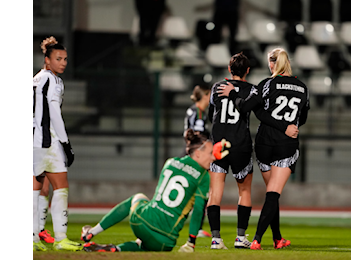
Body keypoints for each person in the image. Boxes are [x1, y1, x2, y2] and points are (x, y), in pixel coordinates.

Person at [218, 47, 309, 250]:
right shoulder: (303, 87)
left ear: (272, 63)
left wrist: (233, 94)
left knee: (271, 192)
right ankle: (258, 239)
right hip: (286, 145)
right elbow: (301, 118)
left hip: (264, 144)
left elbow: (247, 108)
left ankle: (277, 238)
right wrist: (288, 127)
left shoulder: (267, 84)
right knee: (273, 194)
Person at [80, 130, 230, 252]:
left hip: (142, 222)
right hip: (166, 242)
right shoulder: (203, 177)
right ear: (198, 153)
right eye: (210, 153)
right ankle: (116, 249)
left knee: (138, 197)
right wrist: (191, 243)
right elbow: (198, 210)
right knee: (143, 245)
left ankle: (93, 232)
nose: (213, 157)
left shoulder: (171, 162)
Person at [33, 36, 78, 251]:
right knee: (61, 187)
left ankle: (34, 239)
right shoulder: (53, 80)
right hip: (47, 141)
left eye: (66, 59)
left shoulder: (36, 78)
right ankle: (61, 239)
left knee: (36, 189)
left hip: (34, 140)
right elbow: (54, 113)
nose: (63, 63)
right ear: (47, 60)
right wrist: (66, 144)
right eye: (58, 58)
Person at [183, 84, 212, 237]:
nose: (210, 99)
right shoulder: (199, 113)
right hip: (198, 157)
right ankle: (197, 227)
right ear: (204, 96)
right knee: (201, 192)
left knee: (187, 190)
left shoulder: (192, 110)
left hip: (189, 154)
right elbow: (199, 137)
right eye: (208, 96)